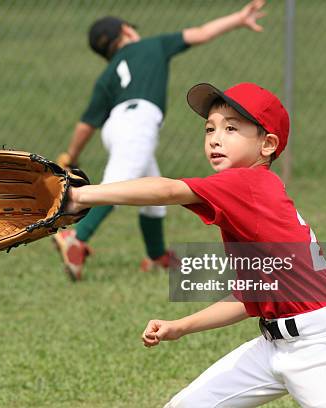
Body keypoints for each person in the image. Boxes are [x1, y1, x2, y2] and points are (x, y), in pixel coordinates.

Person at [63, 82, 326, 407]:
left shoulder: (248, 183)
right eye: (210, 129)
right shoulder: (250, 195)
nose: (215, 138)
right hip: (273, 345)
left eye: (231, 128)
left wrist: (79, 195)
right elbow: (248, 297)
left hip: (319, 350)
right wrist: (180, 327)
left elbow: (167, 191)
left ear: (268, 144)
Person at [53, 0, 266, 281]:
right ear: (127, 31)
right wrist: (238, 19)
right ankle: (76, 237)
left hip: (116, 126)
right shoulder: (152, 45)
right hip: (139, 123)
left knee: (152, 197)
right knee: (120, 184)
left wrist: (71, 156)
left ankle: (156, 256)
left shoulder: (108, 74)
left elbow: (86, 124)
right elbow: (201, 33)